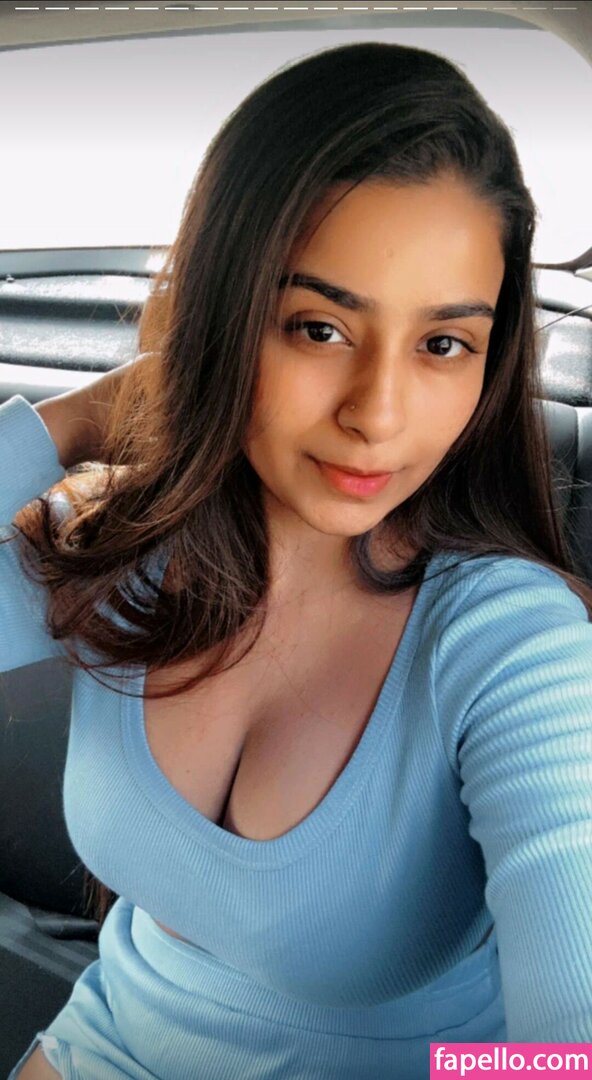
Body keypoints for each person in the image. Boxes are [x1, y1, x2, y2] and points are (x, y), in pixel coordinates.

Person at [4, 40, 592, 1080]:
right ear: (224, 317)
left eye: (442, 344)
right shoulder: (124, 550)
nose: (378, 414)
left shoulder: (511, 644)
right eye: (318, 328)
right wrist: (94, 413)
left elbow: (568, 1052)